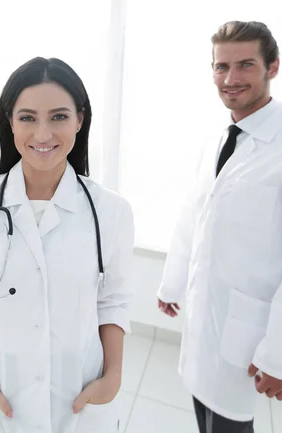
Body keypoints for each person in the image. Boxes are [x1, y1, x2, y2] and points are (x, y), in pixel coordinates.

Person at [0, 57, 134, 433]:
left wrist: (114, 376)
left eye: (58, 117)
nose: (43, 134)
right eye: (27, 118)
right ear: (10, 122)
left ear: (80, 119)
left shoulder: (112, 211)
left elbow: (113, 300)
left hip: (80, 402)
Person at [157, 20, 282, 433]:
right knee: (204, 415)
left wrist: (277, 356)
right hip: (206, 321)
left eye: (245, 64)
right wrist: (172, 284)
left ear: (273, 68)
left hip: (250, 335)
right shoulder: (220, 138)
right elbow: (194, 217)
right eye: (220, 67)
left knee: (229, 424)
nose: (230, 79)